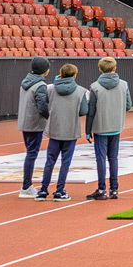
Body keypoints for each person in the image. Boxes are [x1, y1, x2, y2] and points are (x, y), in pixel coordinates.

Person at [34, 63, 89, 201]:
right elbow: (84, 110)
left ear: (61, 74)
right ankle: (59, 190)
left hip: (54, 128)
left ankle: (43, 190)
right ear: (75, 75)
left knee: (50, 161)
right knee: (65, 161)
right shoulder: (80, 91)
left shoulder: (50, 89)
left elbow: (45, 103)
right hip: (70, 129)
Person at [85, 56, 131, 201]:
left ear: (100, 69)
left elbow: (91, 111)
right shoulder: (123, 84)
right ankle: (114, 189)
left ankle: (101, 188)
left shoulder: (95, 87)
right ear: (114, 68)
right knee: (113, 158)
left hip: (100, 127)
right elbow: (128, 105)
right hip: (116, 126)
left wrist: (88, 130)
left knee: (101, 159)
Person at [17, 56, 50, 199]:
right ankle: (26, 186)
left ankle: (27, 185)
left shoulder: (26, 82)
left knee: (30, 152)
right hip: (35, 123)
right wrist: (50, 116)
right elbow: (42, 106)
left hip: (25, 121)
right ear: (45, 70)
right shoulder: (40, 85)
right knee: (32, 153)